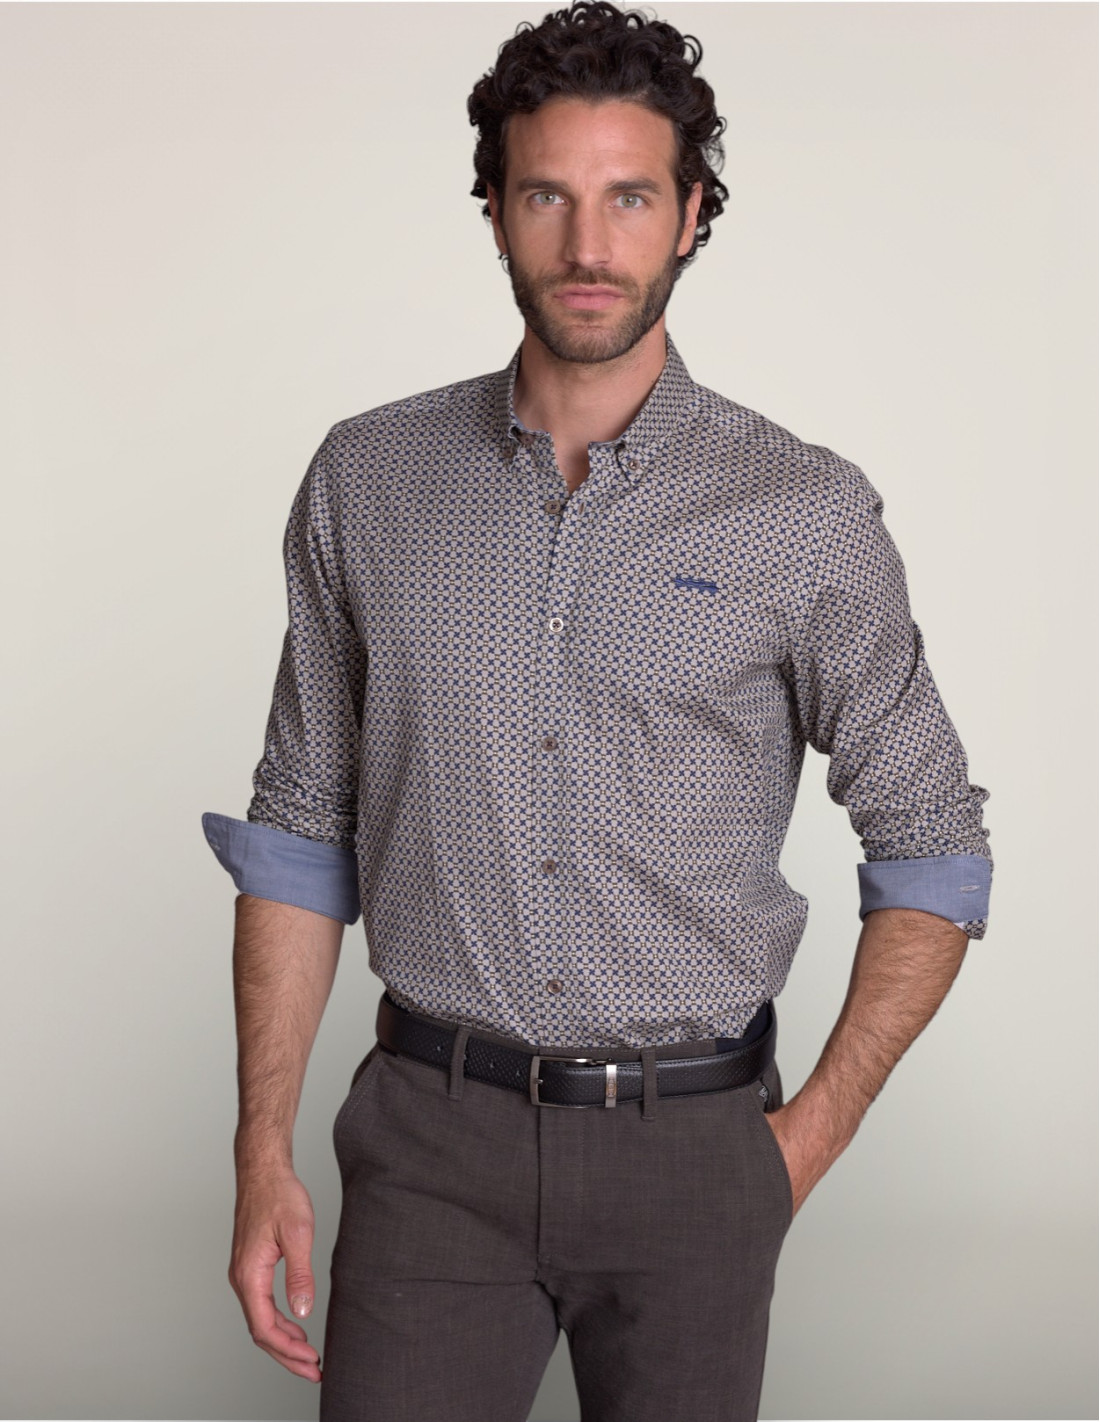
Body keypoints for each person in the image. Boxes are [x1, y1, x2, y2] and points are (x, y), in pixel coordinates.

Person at [201, 3, 993, 1418]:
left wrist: (795, 1148)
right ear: (494, 210)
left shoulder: (801, 511)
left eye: (629, 197)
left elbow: (934, 848)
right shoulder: (368, 481)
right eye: (546, 195)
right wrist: (262, 1150)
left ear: (691, 215)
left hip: (696, 1151)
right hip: (430, 1149)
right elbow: (301, 833)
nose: (587, 244)